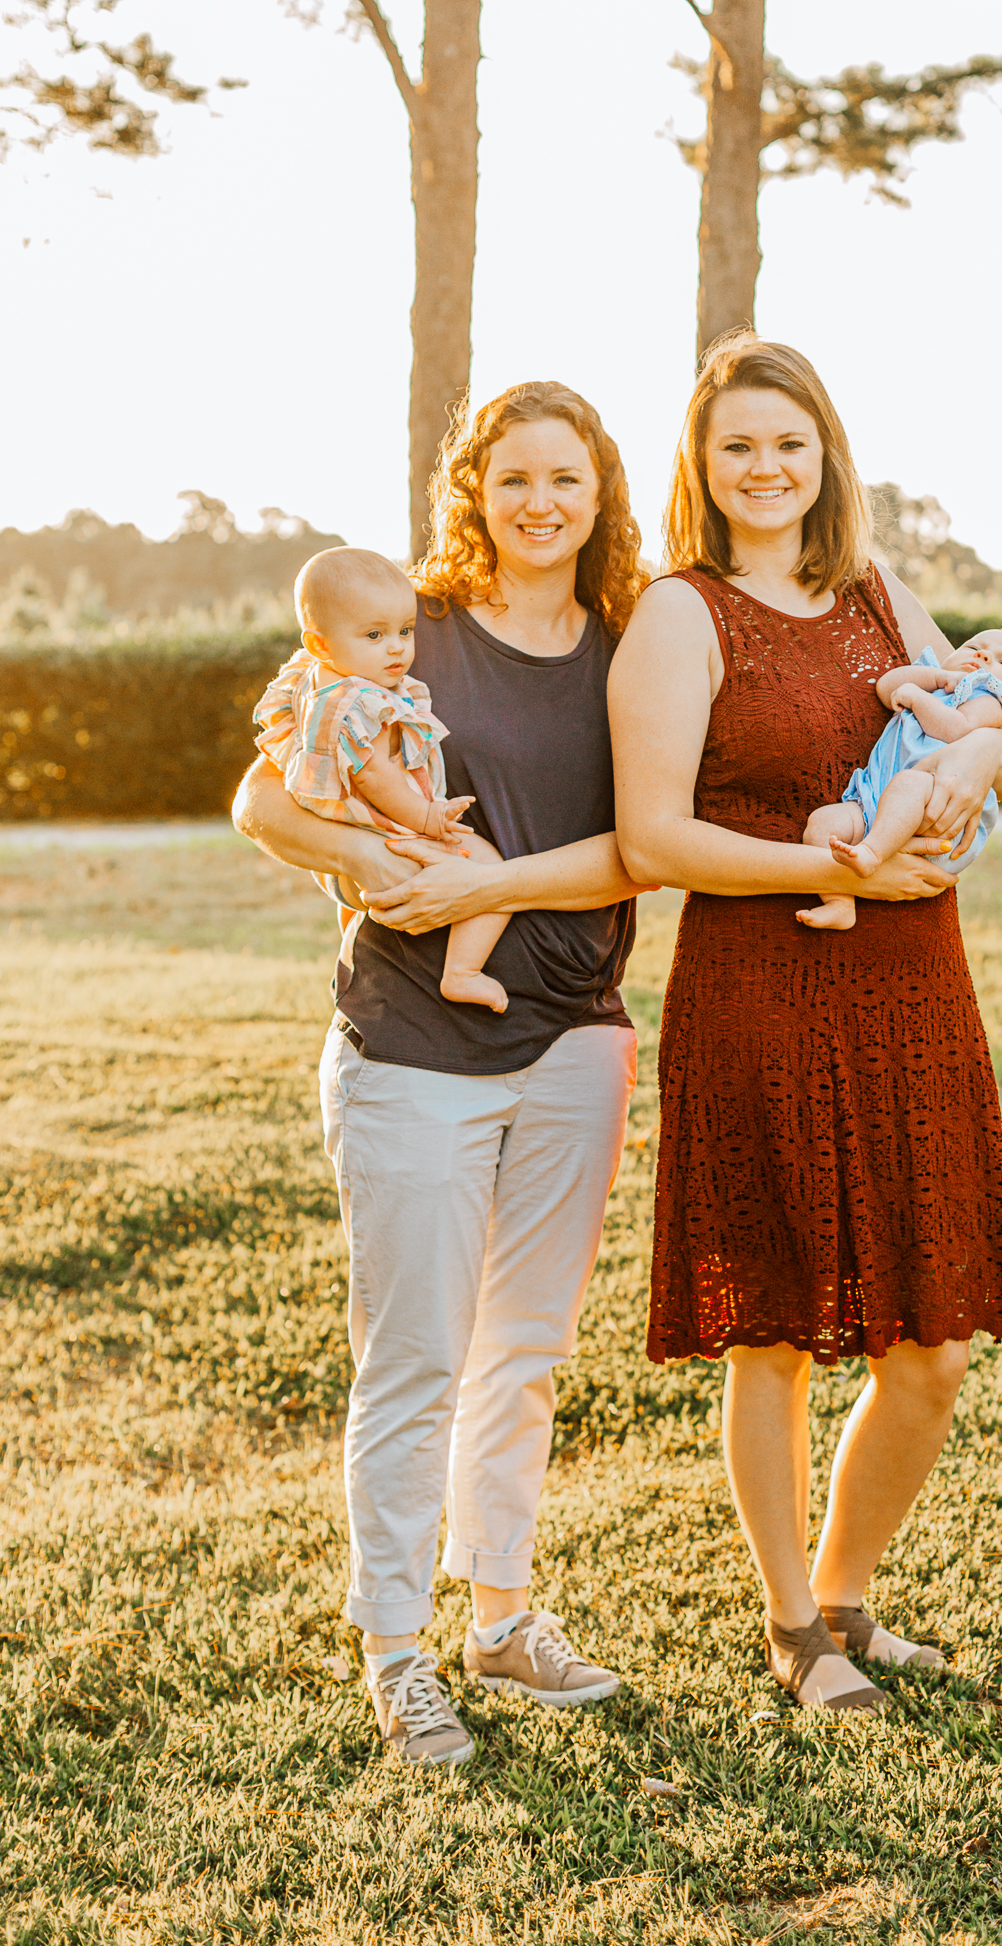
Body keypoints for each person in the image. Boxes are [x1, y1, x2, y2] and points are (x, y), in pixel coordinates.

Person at [610, 335, 1002, 1713]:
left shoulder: (872, 590)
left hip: (914, 989)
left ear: (824, 454)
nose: (766, 467)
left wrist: (980, 752)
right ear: (703, 467)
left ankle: (848, 1595)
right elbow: (652, 834)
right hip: (761, 991)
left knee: (934, 1339)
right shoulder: (681, 613)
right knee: (778, 1331)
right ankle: (793, 1627)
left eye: (787, 442)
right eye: (738, 446)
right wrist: (833, 869)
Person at [233, 381, 650, 1765]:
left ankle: (503, 1617)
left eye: (567, 480)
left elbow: (642, 848)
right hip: (411, 1049)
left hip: (575, 1036)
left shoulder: (633, 644)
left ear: (601, 495)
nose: (542, 503)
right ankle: (396, 1649)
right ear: (475, 485)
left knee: (522, 1356)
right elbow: (260, 794)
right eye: (514, 477)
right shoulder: (399, 625)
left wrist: (492, 881)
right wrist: (360, 860)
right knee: (412, 1359)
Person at [252, 545, 511, 1009]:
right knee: (490, 869)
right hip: (389, 825)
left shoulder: (317, 680)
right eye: (374, 635)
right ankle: (464, 971)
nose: (396, 647)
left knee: (357, 908)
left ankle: (354, 937)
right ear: (320, 644)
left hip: (353, 827)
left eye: (405, 631)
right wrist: (429, 817)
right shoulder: (357, 703)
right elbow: (375, 777)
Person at [797, 625, 1002, 929]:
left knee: (909, 782)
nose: (983, 655)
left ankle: (872, 853)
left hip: (935, 814)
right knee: (822, 824)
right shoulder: (934, 680)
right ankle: (839, 900)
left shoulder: (991, 701)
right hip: (873, 804)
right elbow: (887, 687)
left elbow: (957, 728)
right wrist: (935, 679)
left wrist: (917, 697)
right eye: (973, 647)